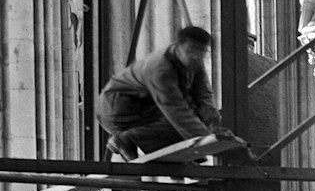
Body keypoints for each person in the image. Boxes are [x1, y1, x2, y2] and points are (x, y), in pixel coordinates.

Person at [97, 24, 242, 160]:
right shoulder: (161, 69)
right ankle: (125, 140)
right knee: (180, 124)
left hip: (144, 107)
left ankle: (135, 142)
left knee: (194, 120)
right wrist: (211, 142)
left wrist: (216, 128)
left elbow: (204, 98)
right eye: (191, 51)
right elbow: (177, 112)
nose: (196, 57)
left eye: (201, 52)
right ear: (178, 47)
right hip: (116, 108)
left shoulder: (194, 63)